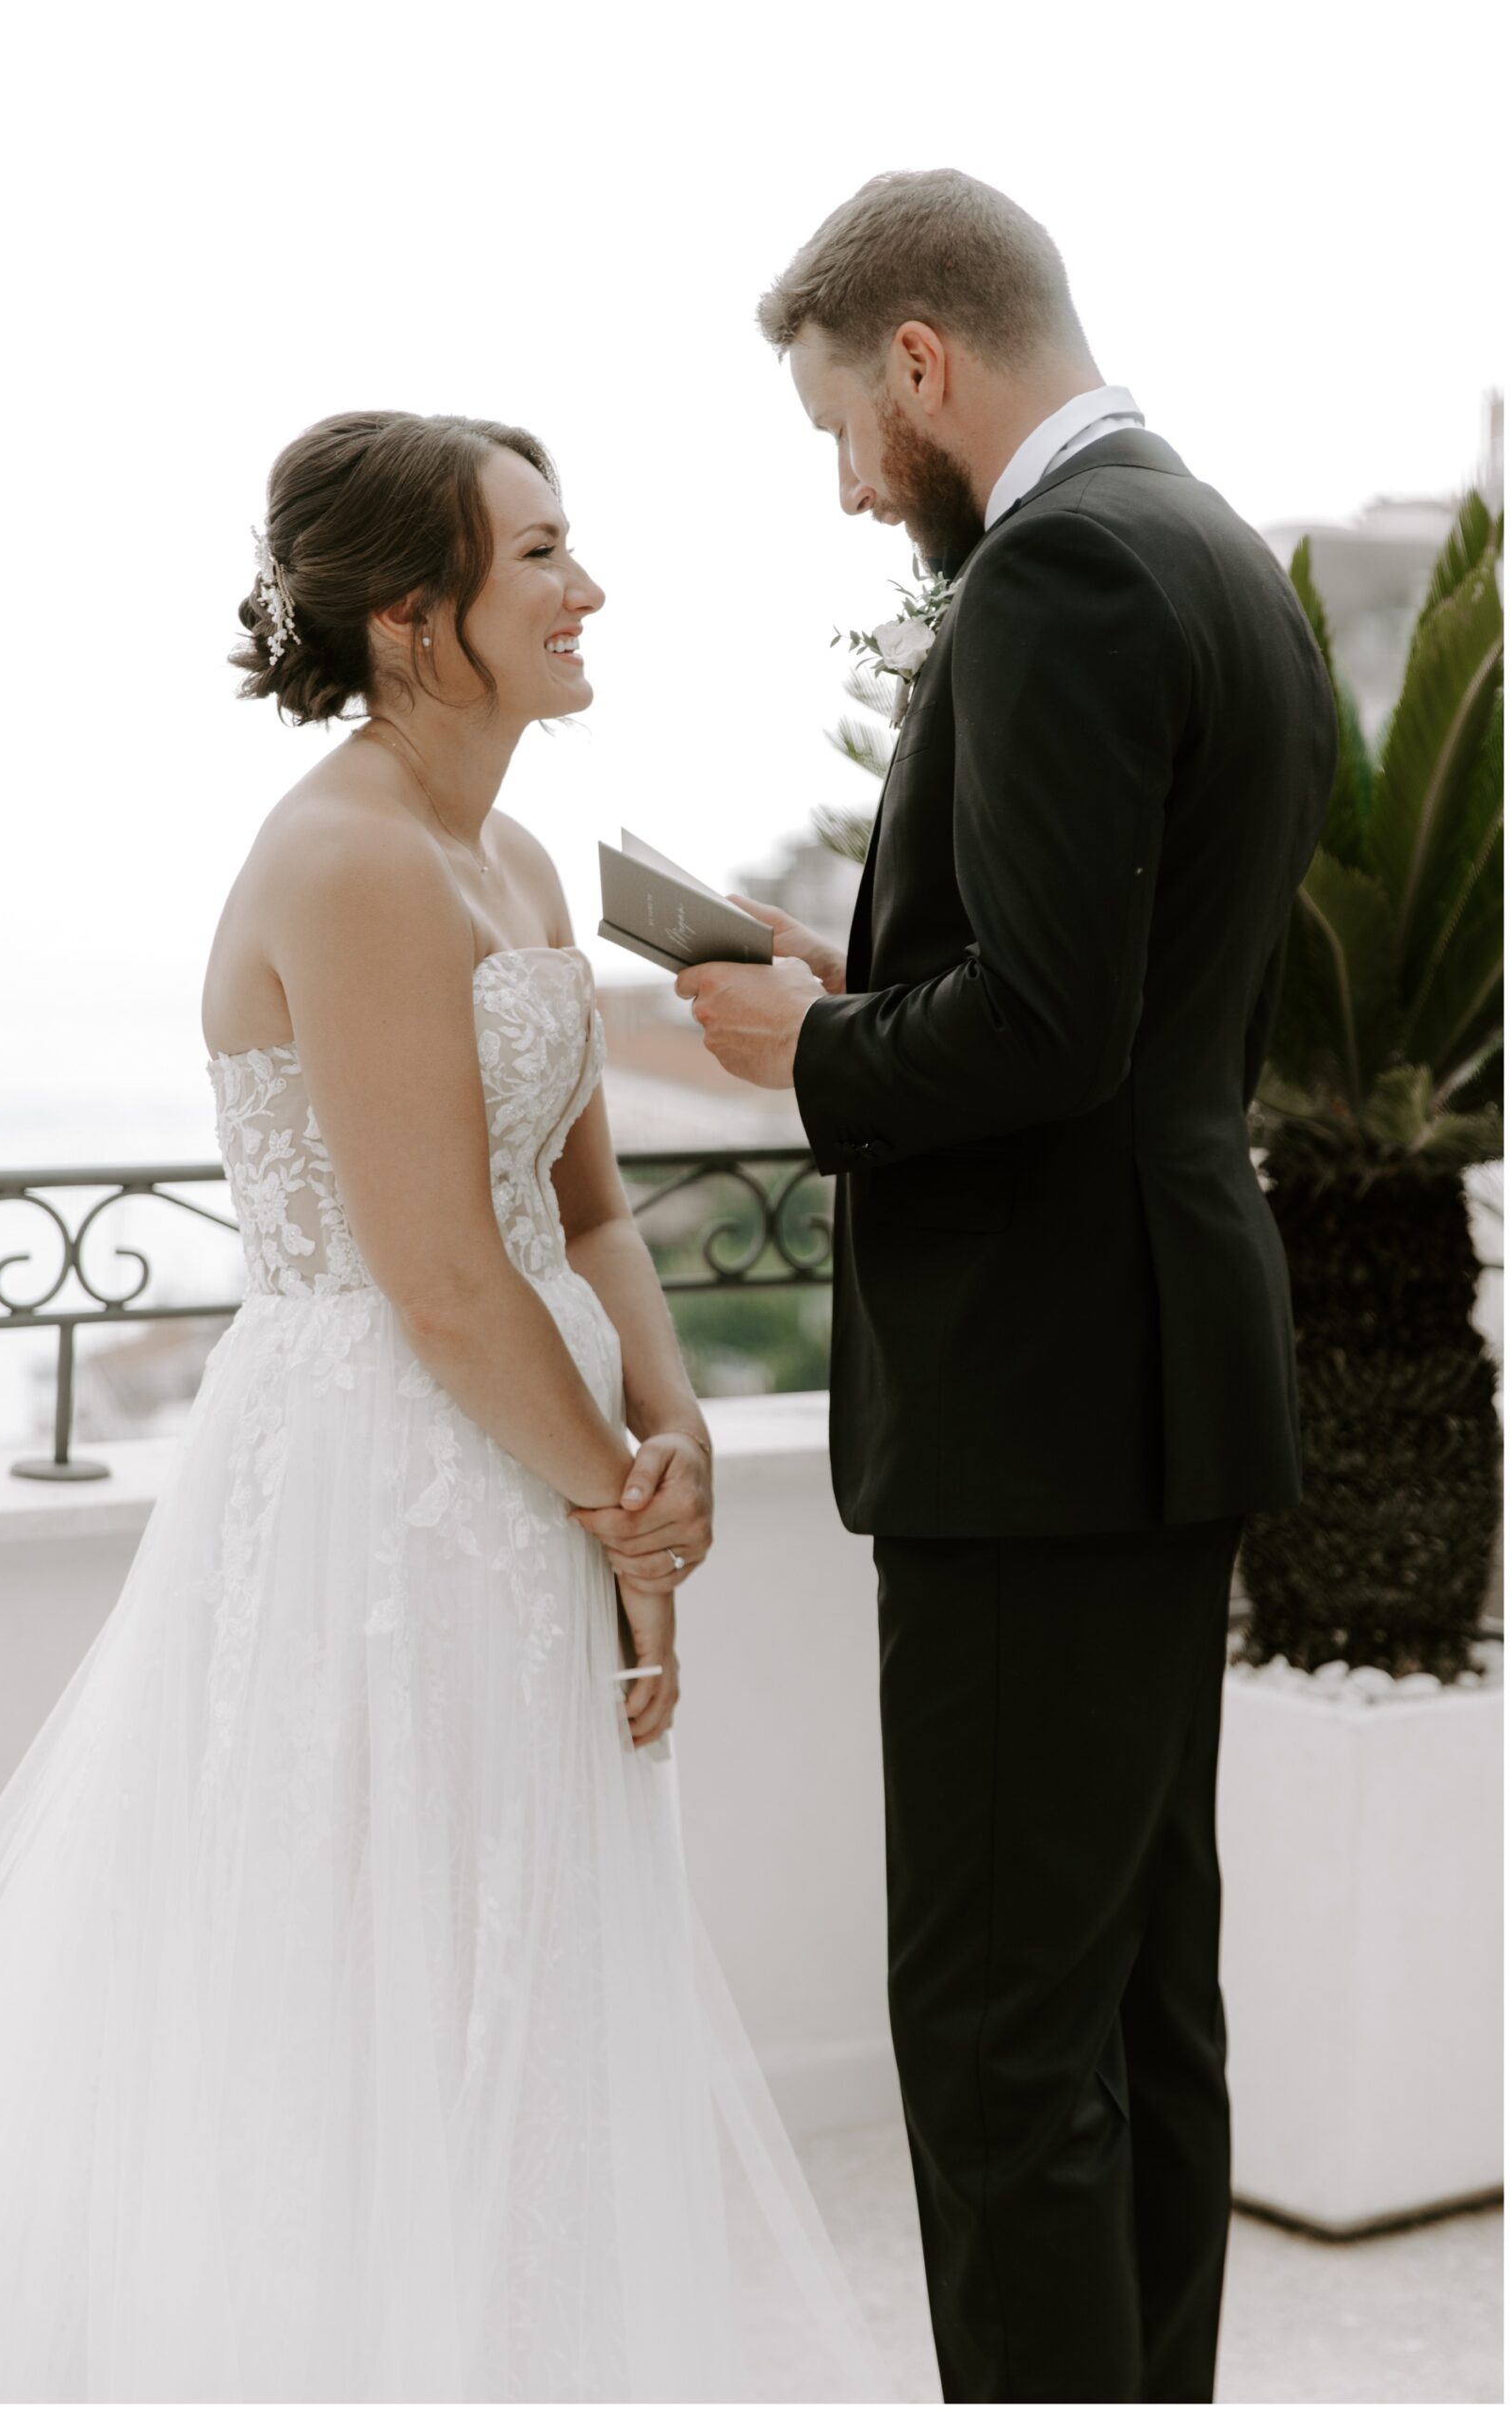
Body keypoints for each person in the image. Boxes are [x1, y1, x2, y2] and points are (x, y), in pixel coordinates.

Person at [0, 410, 890, 2404]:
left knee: (524, 1955)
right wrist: (625, 1505)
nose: (585, 585)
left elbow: (588, 1204)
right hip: (381, 1476)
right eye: (540, 554)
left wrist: (671, 1427)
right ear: (415, 621)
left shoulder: (518, 849)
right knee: (374, 1963)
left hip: (538, 1458)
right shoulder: (346, 858)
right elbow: (437, 1270)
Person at [680, 169, 1340, 2404]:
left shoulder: (1054, 570)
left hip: (1033, 1404)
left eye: (840, 427)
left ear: (921, 364)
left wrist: (815, 1048)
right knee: (1137, 2000)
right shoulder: (1217, 553)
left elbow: (1049, 1026)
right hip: (1157, 1372)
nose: (852, 484)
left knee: (991, 2039)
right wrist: (869, 974)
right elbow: (1124, 1002)